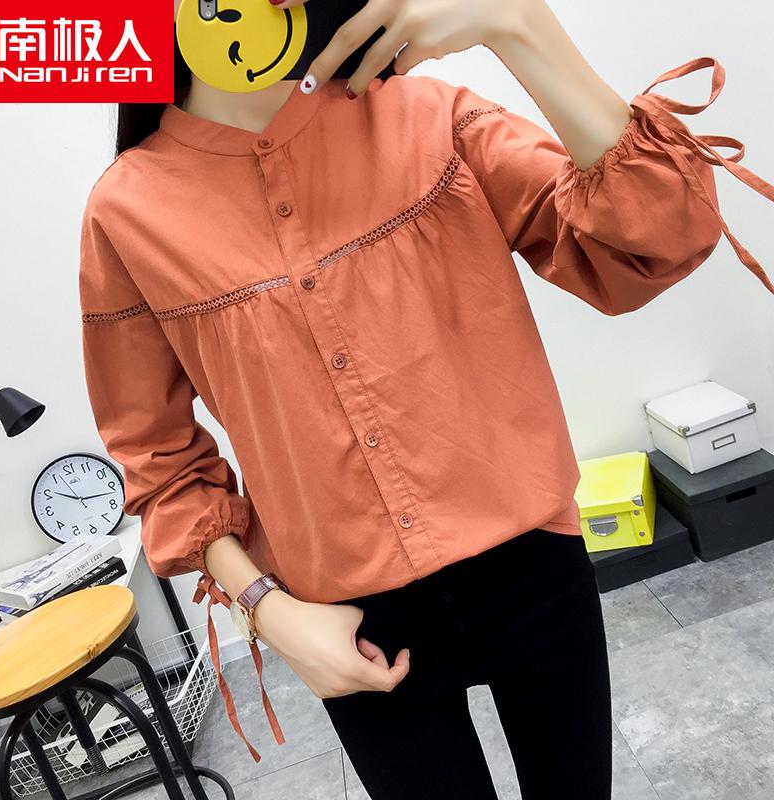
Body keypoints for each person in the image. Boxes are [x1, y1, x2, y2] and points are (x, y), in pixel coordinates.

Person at [78, 1, 774, 797]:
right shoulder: (128, 211)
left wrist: (519, 22)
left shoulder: (429, 118)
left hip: (533, 570)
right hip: (349, 627)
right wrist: (269, 610)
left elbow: (652, 238)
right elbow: (156, 457)